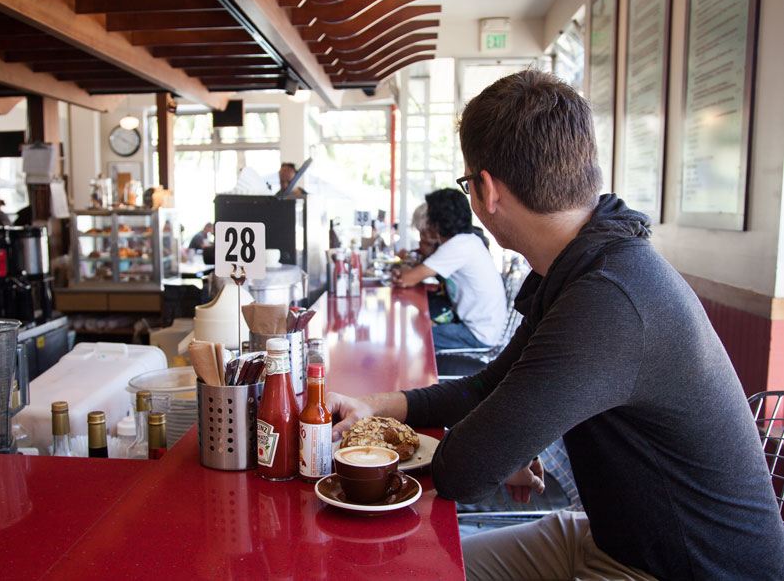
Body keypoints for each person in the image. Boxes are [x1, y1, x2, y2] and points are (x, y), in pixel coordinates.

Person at [328, 70, 784, 580]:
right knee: (414, 570)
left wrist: (499, 446)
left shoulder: (609, 298)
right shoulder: (585, 266)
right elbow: (487, 386)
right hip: (616, 536)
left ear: (485, 190)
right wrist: (374, 405)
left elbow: (464, 471)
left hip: (685, 569)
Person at [394, 189, 507, 350]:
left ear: (437, 223)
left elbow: (407, 279)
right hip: (481, 326)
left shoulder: (457, 246)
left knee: (418, 335)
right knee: (421, 323)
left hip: (477, 334)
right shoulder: (467, 241)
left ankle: (423, 368)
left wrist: (403, 272)